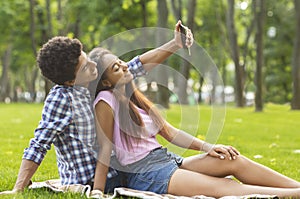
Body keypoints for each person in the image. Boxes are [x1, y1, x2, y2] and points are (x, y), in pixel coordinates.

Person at [0, 21, 193, 195]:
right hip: (90, 182)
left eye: (87, 59)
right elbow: (39, 144)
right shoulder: (60, 100)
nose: (92, 65)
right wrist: (18, 188)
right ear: (70, 81)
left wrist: (175, 43)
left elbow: (137, 65)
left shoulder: (96, 82)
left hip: (121, 176)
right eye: (85, 68)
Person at [90, 49, 300, 197]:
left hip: (165, 160)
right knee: (224, 188)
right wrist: (98, 191)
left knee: (232, 160)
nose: (124, 66)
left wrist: (208, 147)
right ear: (106, 82)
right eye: (116, 68)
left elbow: (170, 132)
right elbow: (105, 147)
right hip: (146, 173)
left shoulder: (133, 97)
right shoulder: (105, 100)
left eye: (120, 61)